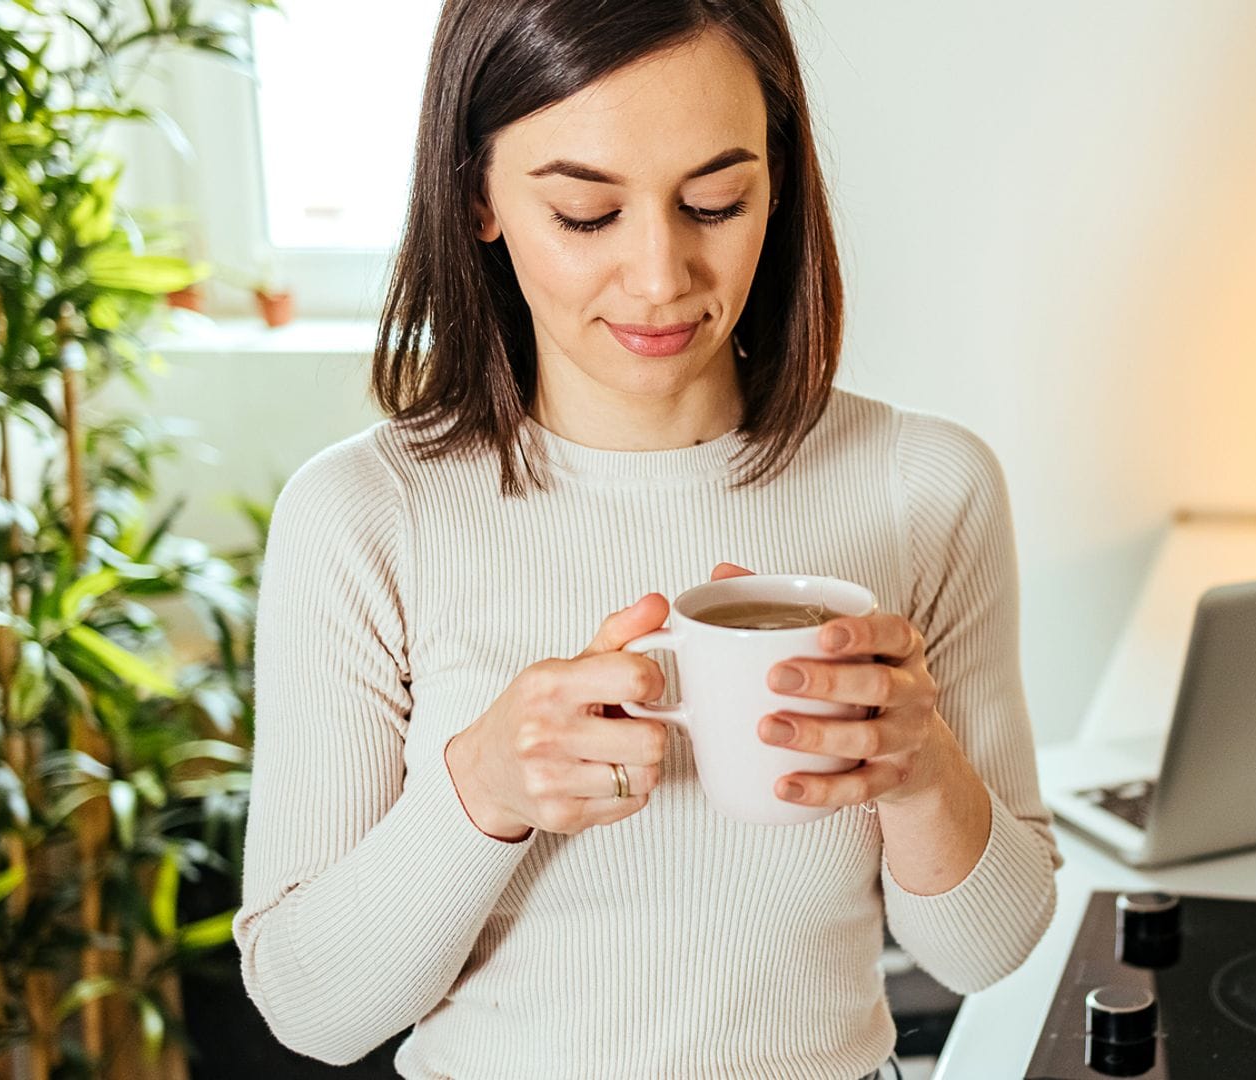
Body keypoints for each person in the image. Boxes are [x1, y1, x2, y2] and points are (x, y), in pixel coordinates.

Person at [230, 2, 1059, 1077]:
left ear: (779, 182)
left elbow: (989, 951)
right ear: (477, 192)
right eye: (586, 213)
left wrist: (919, 768)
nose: (662, 277)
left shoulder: (923, 486)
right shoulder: (365, 515)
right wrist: (480, 790)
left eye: (717, 202)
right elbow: (312, 1011)